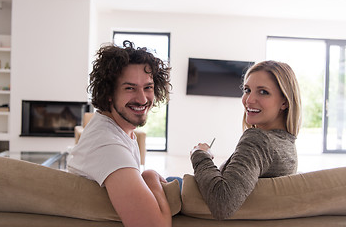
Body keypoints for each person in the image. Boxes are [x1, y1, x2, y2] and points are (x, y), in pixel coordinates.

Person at [67, 40, 172, 227]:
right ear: (109, 93)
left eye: (147, 87)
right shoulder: (107, 145)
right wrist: (150, 176)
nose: (142, 98)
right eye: (130, 88)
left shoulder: (119, 131)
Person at [190, 60, 302, 220]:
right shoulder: (287, 144)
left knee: (151, 177)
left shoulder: (258, 139)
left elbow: (223, 203)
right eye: (247, 90)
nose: (249, 100)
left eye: (263, 92)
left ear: (284, 102)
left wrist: (200, 155)